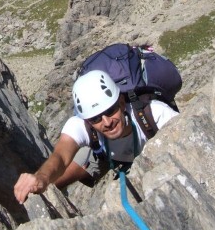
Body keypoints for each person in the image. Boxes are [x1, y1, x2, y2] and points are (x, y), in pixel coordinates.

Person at [14, 69, 178, 204]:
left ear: (121, 103)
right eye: (96, 118)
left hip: (150, 155)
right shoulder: (80, 124)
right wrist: (41, 179)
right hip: (105, 155)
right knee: (52, 183)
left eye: (110, 111)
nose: (107, 122)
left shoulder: (154, 113)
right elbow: (61, 157)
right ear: (87, 120)